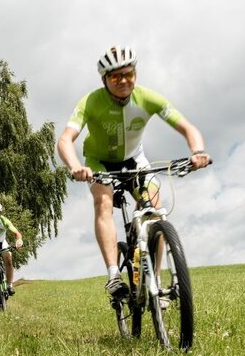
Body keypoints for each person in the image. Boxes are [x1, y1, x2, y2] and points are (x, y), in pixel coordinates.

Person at [56, 46, 210, 298]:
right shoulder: (91, 101)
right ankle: (114, 275)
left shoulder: (148, 98)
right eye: (115, 77)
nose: (124, 81)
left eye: (129, 74)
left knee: (155, 212)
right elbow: (65, 140)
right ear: (104, 79)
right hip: (99, 163)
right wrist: (75, 166)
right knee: (103, 202)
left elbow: (187, 127)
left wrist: (198, 151)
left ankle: (155, 281)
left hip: (135, 160)